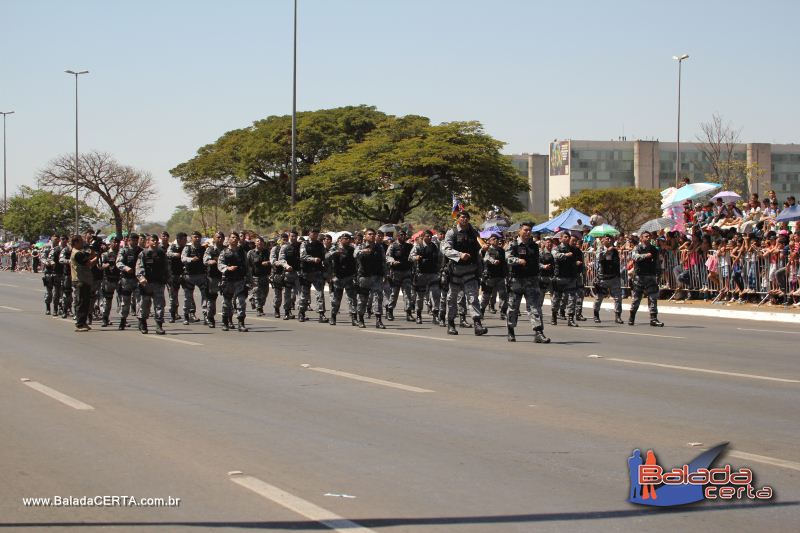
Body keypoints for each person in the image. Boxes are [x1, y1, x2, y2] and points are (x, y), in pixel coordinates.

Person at [441, 211, 487, 336]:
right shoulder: (452, 233)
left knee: (473, 298)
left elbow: (479, 249)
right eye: (462, 217)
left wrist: (483, 250)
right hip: (455, 271)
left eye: (467, 217)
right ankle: (451, 323)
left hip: (470, 271)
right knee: (452, 299)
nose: (465, 219)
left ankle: (477, 324)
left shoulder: (474, 233)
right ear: (458, 219)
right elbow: (446, 249)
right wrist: (460, 255)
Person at [506, 223, 549, 343]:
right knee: (513, 307)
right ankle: (511, 330)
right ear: (519, 231)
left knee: (534, 307)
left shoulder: (534, 246)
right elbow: (507, 258)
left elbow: (536, 262)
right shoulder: (513, 244)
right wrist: (517, 260)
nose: (528, 232)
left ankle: (538, 332)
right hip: (516, 280)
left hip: (531, 280)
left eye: (530, 230)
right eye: (525, 230)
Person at [629, 230, 664, 327]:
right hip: (640, 276)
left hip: (651, 276)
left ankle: (653, 319)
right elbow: (635, 257)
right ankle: (632, 317)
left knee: (653, 297)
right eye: (646, 236)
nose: (648, 238)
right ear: (641, 238)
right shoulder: (637, 248)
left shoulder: (654, 249)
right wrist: (645, 255)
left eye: (649, 236)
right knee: (636, 298)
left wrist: (659, 272)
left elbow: (657, 262)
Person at [135, 234, 169, 335]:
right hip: (146, 284)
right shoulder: (143, 254)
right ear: (148, 242)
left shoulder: (161, 253)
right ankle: (143, 322)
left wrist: (168, 278)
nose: (155, 243)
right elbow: (139, 268)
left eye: (156, 241)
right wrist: (141, 278)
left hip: (159, 283)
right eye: (152, 241)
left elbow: (167, 267)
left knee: (159, 305)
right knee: (145, 305)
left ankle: (159, 325)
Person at [354, 228, 386, 328]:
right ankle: (361, 319)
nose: (372, 236)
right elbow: (355, 255)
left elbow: (383, 261)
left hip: (377, 276)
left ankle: (378, 320)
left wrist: (385, 274)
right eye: (369, 234)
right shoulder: (360, 246)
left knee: (378, 297)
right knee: (363, 299)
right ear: (365, 236)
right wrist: (363, 252)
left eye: (373, 234)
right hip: (364, 276)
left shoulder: (379, 247)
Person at [218, 231, 249, 332]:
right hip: (228, 281)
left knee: (241, 302)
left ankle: (241, 323)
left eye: (236, 238)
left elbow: (247, 267)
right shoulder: (224, 252)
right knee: (227, 303)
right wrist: (228, 268)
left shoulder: (242, 252)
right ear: (229, 239)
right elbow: (220, 265)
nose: (234, 239)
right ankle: (225, 322)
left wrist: (250, 279)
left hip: (240, 280)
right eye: (232, 237)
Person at [410, 230, 442, 324]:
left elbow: (440, 258)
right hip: (421, 274)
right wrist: (416, 258)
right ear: (423, 237)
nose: (429, 238)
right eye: (427, 236)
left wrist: (439, 269)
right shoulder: (418, 246)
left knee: (435, 295)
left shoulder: (434, 246)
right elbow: (410, 257)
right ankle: (419, 315)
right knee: (420, 297)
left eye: (430, 236)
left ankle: (435, 315)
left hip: (433, 274)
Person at [326, 232, 358, 326]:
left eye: (349, 239)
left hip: (349, 277)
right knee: (336, 300)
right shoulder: (334, 248)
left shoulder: (352, 249)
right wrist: (335, 252)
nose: (347, 240)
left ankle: (354, 318)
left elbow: (357, 262)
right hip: (338, 278)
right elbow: (326, 257)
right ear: (340, 240)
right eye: (345, 238)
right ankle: (333, 317)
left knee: (352, 299)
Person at [551, 231, 582, 327]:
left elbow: (577, 258)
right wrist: (565, 255)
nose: (567, 239)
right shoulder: (556, 248)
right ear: (560, 239)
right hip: (559, 277)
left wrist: (577, 263)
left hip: (571, 277)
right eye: (565, 237)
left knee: (572, 298)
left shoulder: (573, 249)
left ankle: (571, 318)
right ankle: (554, 316)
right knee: (556, 298)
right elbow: (555, 255)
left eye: (568, 237)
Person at [593, 235, 624, 324]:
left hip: (614, 277)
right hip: (603, 277)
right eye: (607, 239)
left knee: (618, 297)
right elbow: (599, 258)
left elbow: (617, 262)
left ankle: (618, 316)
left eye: (610, 238)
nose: (609, 240)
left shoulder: (614, 250)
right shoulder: (600, 249)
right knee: (599, 297)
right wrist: (607, 251)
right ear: (602, 240)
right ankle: (596, 314)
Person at [70, 235, 98, 332]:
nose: (83, 243)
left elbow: (89, 256)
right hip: (80, 281)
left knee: (85, 302)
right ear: (76, 243)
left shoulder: (79, 252)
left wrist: (93, 251)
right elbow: (88, 263)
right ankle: (80, 324)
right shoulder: (77, 254)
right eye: (81, 241)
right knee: (81, 303)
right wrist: (97, 257)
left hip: (84, 280)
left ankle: (83, 322)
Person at [298, 228, 327, 322]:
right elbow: (302, 256)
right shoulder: (304, 244)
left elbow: (324, 256)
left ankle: (321, 314)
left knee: (320, 294)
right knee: (304, 295)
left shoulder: (320, 244)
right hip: (306, 272)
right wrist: (313, 259)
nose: (315, 235)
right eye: (313, 233)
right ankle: (301, 313)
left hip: (317, 272)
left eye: (316, 233)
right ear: (309, 233)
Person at [385, 230, 415, 321]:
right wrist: (392, 262)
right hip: (396, 273)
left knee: (407, 294)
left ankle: (408, 313)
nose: (403, 236)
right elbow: (387, 257)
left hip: (407, 272)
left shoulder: (410, 246)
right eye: (401, 235)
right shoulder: (393, 246)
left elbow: (413, 256)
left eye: (404, 235)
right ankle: (389, 311)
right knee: (394, 294)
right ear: (397, 236)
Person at [115, 233, 141, 330]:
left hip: (138, 279)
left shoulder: (140, 251)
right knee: (125, 301)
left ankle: (141, 321)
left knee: (140, 301)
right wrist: (125, 268)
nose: (134, 242)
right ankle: (123, 320)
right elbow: (118, 262)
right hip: (126, 279)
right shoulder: (124, 250)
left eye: (136, 240)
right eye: (132, 240)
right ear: (129, 240)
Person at [480, 233, 508, 320]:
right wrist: (493, 261)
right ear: (490, 241)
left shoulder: (501, 250)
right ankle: (481, 311)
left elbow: (505, 262)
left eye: (497, 239)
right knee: (486, 295)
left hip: (500, 276)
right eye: (493, 239)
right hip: (490, 276)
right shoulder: (487, 249)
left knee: (503, 295)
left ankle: (503, 312)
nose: (496, 240)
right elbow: (485, 258)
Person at [181, 231, 207, 325]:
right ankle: (186, 316)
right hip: (189, 276)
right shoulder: (187, 248)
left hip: (201, 276)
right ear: (191, 238)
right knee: (188, 298)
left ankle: (206, 315)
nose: (197, 238)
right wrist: (191, 259)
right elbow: (183, 258)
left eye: (198, 237)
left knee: (205, 296)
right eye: (195, 237)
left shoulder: (204, 249)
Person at [276, 230, 302, 320]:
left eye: (295, 236)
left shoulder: (301, 246)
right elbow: (281, 259)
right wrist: (286, 266)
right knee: (287, 294)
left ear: (297, 237)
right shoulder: (285, 247)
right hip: (288, 273)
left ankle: (301, 312)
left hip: (299, 273)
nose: (293, 237)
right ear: (289, 236)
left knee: (300, 293)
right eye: (291, 236)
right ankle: (287, 312)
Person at [203, 231, 225, 328]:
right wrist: (209, 261)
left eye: (221, 237)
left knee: (228, 299)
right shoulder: (210, 250)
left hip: (225, 277)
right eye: (217, 237)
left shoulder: (226, 250)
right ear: (214, 239)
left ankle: (227, 319)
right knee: (211, 299)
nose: (219, 239)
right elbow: (205, 260)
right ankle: (210, 317)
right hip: (213, 277)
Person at [99, 237, 121, 327]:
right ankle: (105, 318)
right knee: (107, 301)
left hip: (119, 280)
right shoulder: (105, 254)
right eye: (114, 242)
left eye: (117, 242)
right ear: (111, 243)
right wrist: (108, 264)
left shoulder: (121, 253)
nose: (116, 244)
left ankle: (123, 319)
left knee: (122, 301)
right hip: (108, 280)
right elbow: (100, 266)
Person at [166, 231, 187, 323]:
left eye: (186, 239)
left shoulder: (186, 248)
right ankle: (172, 314)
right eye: (183, 239)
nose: (185, 241)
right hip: (174, 274)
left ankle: (189, 314)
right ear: (178, 239)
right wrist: (176, 254)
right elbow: (168, 253)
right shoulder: (173, 247)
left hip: (184, 274)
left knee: (188, 295)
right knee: (173, 296)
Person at [247, 236, 271, 316]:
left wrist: (268, 262)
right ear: (255, 243)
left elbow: (272, 260)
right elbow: (247, 264)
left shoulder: (267, 252)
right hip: (255, 276)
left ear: (263, 243)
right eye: (258, 241)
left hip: (265, 276)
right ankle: (259, 308)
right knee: (257, 292)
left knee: (265, 293)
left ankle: (253, 300)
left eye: (261, 241)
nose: (259, 243)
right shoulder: (251, 253)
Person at [42, 235, 62, 316]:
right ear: (51, 239)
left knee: (57, 292)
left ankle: (56, 309)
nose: (56, 240)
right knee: (48, 292)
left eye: (57, 239)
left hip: (57, 272)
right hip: (48, 272)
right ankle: (48, 308)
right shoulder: (47, 247)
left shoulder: (60, 248)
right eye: (54, 239)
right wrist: (47, 262)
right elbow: (42, 257)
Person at [269, 233, 287, 318]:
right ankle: (277, 309)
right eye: (283, 239)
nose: (284, 241)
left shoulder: (289, 248)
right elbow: (272, 260)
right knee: (278, 294)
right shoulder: (275, 249)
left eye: (286, 239)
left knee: (290, 294)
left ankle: (288, 310)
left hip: (288, 273)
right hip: (277, 273)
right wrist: (281, 263)